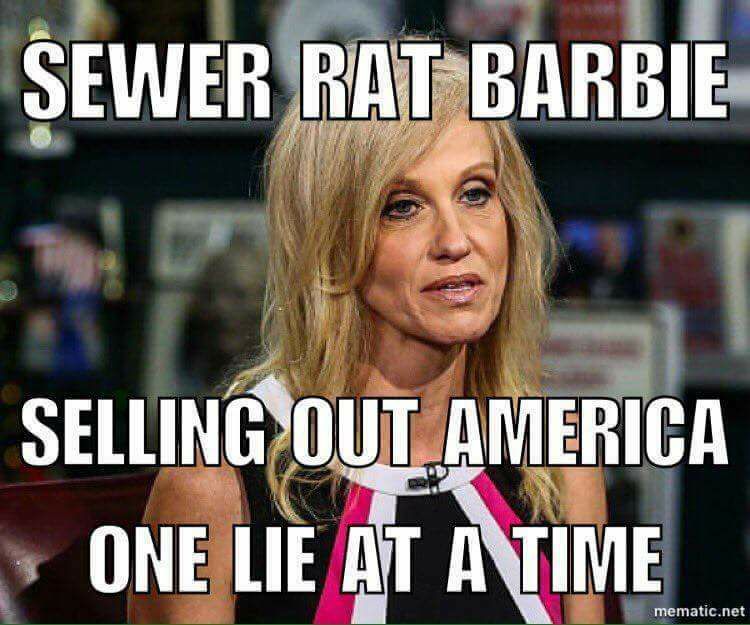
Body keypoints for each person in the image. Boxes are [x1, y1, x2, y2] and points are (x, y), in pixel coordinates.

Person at [129, 35, 607, 624]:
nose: (456, 241)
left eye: (476, 194)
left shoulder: (558, 459)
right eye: (402, 206)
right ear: (330, 237)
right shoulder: (216, 482)